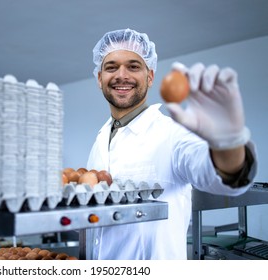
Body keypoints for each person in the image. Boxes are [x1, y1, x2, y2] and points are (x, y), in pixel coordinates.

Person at [86, 28, 258, 260]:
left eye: (134, 66)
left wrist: (227, 141)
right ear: (99, 78)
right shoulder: (101, 139)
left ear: (150, 76)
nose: (121, 75)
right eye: (111, 67)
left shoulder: (173, 134)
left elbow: (218, 176)